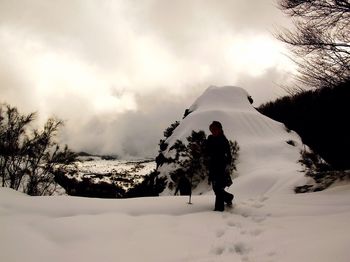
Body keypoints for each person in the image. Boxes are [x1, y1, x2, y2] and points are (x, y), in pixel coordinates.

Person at [206, 121, 234, 211]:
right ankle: (229, 197)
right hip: (213, 167)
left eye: (215, 129)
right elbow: (206, 150)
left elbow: (229, 155)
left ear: (220, 129)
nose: (213, 131)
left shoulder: (224, 141)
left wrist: (227, 166)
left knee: (218, 188)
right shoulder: (210, 138)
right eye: (211, 130)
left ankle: (219, 209)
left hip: (221, 168)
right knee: (216, 189)